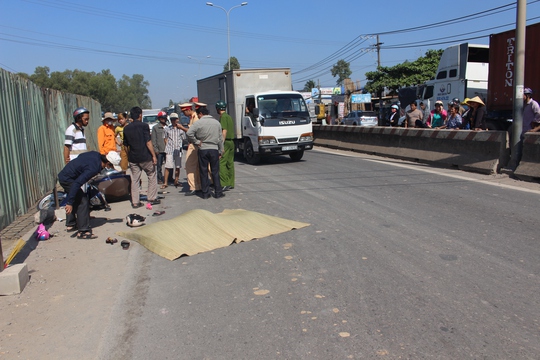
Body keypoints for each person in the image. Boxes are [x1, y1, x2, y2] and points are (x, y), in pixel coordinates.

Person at [58, 151, 121, 239]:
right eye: (111, 166)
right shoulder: (94, 168)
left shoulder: (95, 154)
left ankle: (71, 224)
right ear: (107, 163)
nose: (110, 168)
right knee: (82, 201)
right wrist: (70, 203)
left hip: (67, 174)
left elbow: (81, 156)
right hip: (68, 179)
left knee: (76, 195)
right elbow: (77, 183)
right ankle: (83, 231)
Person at [123, 106, 159, 208]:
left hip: (133, 158)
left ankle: (135, 202)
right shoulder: (144, 126)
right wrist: (153, 155)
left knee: (135, 179)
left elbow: (125, 145)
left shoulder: (126, 128)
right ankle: (151, 198)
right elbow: (148, 142)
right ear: (140, 115)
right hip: (145, 157)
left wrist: (129, 155)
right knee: (151, 175)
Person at [186, 107, 224, 199]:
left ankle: (205, 193)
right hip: (214, 149)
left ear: (200, 114)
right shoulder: (217, 123)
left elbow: (189, 133)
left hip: (203, 149)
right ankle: (218, 192)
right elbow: (220, 138)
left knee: (203, 172)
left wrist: (197, 142)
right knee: (215, 172)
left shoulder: (198, 123)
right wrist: (221, 150)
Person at [178, 102, 201, 196]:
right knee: (196, 167)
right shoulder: (192, 118)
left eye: (184, 112)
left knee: (190, 166)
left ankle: (193, 187)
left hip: (194, 144)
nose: (184, 114)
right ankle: (198, 185)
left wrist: (182, 128)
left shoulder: (195, 118)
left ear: (188, 110)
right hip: (195, 144)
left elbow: (191, 132)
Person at [216, 100, 235, 191]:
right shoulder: (229, 117)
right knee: (230, 163)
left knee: (221, 162)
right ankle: (231, 183)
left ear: (218, 108)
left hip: (226, 142)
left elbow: (224, 131)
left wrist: (221, 145)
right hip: (232, 142)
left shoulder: (223, 117)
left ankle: (224, 183)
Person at [163, 113, 185, 189]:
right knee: (168, 166)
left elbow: (184, 138)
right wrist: (168, 145)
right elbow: (165, 138)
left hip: (178, 150)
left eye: (175, 119)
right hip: (169, 150)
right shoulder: (167, 129)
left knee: (177, 166)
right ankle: (165, 182)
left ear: (177, 119)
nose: (174, 121)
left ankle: (176, 181)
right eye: (172, 119)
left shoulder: (181, 129)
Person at [151, 111, 168, 185]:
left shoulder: (168, 127)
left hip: (168, 150)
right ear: (159, 119)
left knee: (169, 165)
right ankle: (159, 178)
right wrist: (156, 150)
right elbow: (153, 140)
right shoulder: (155, 128)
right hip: (160, 150)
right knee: (159, 166)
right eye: (162, 118)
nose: (163, 119)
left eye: (164, 118)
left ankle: (168, 178)